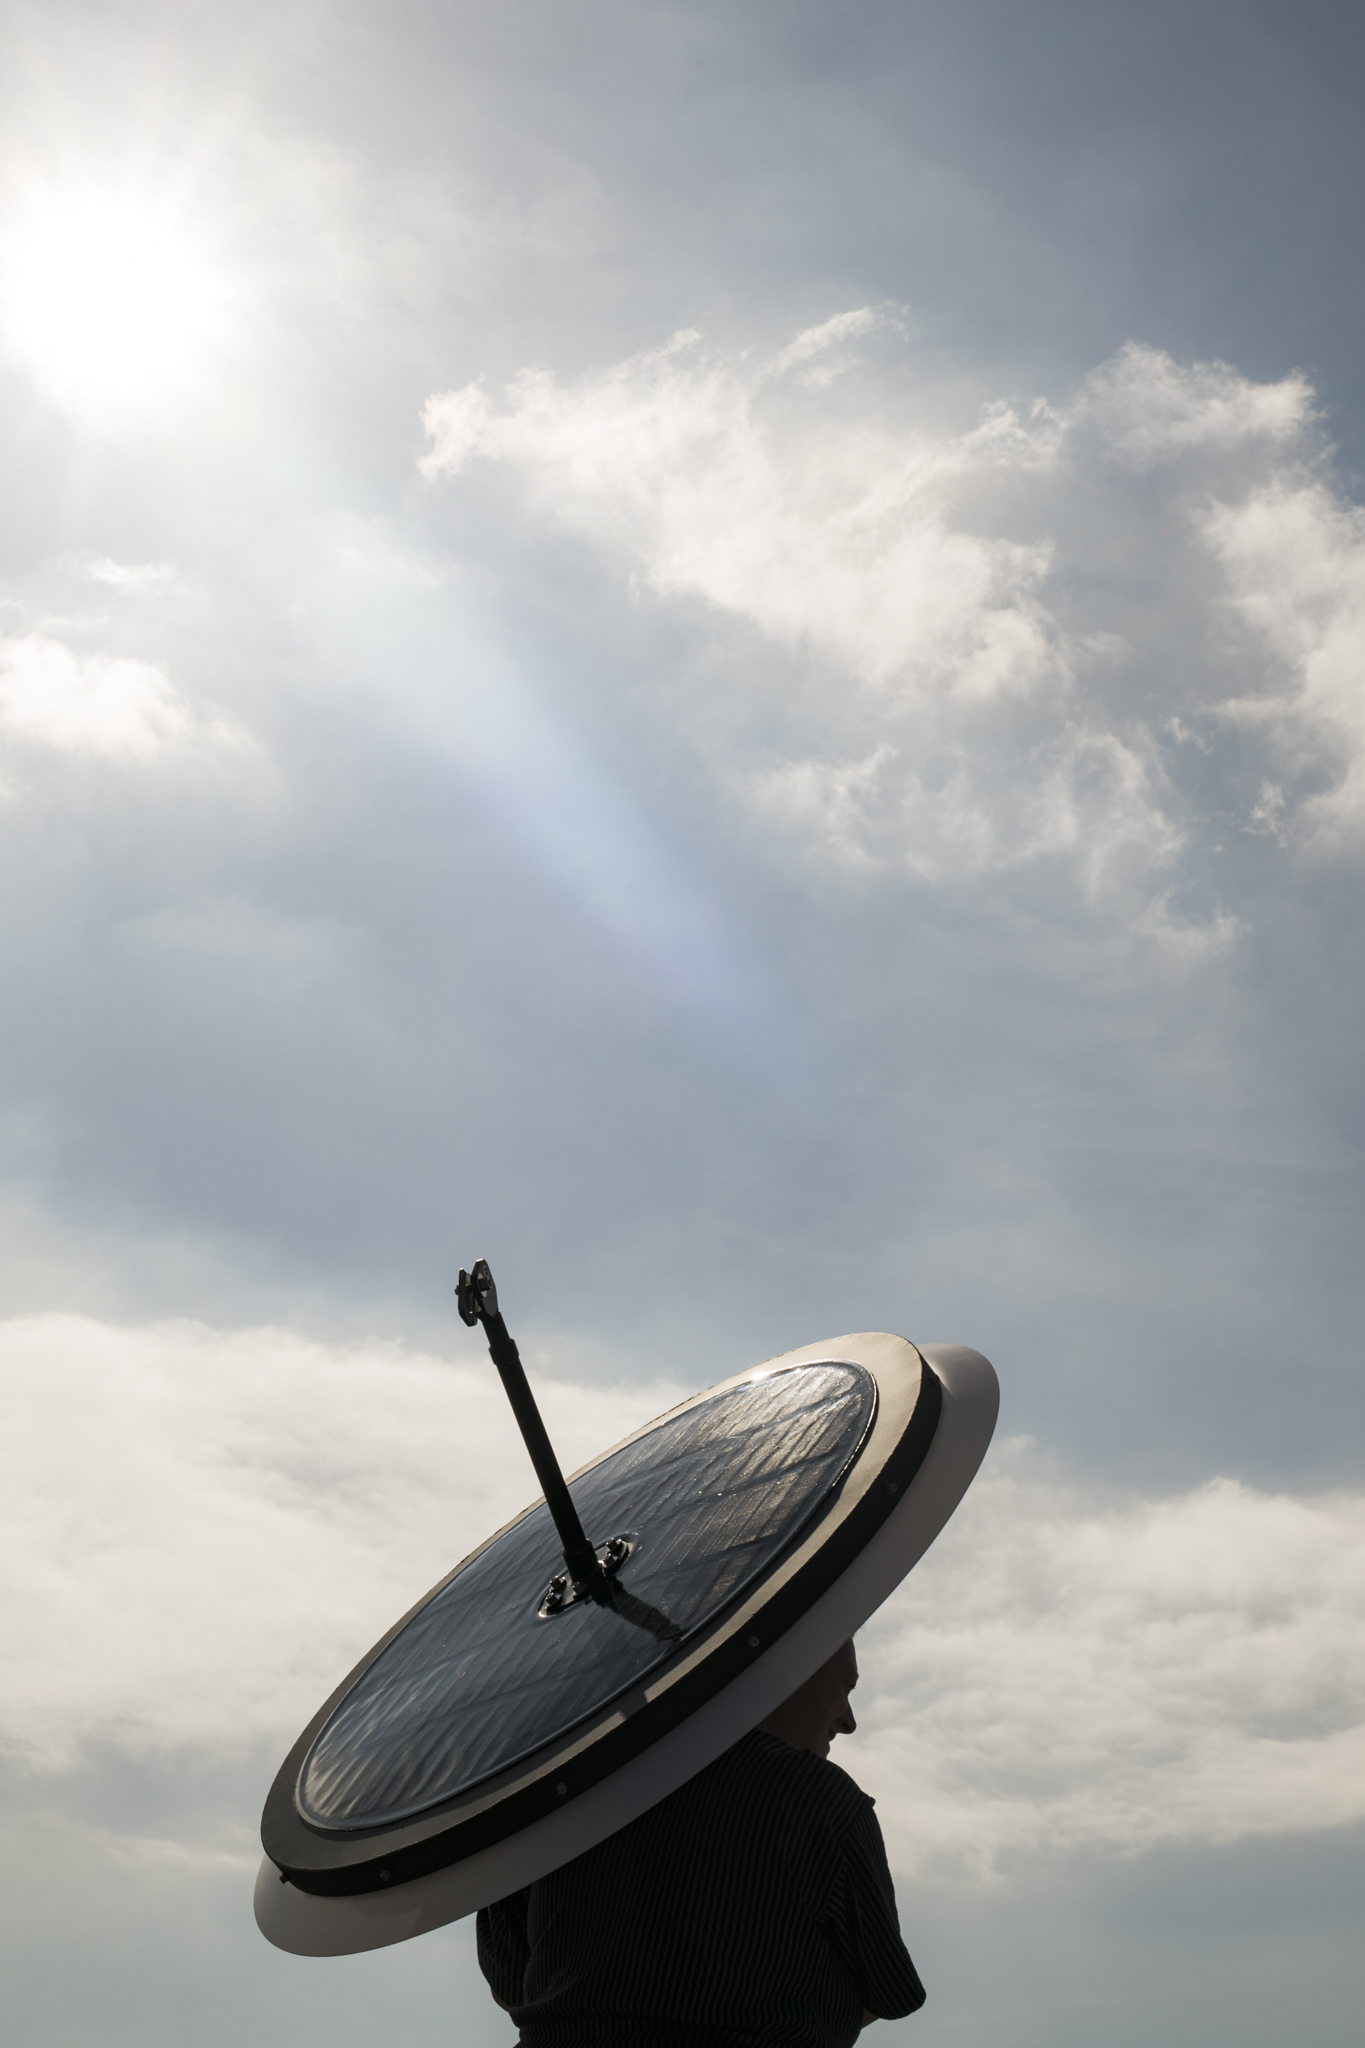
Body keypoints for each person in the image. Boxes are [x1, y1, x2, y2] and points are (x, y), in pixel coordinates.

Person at [476, 1639, 926, 2047]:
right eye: (845, 1688)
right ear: (786, 1669)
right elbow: (891, 1990)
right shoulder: (823, 1800)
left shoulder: (561, 1789)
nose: (847, 1721)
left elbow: (513, 1982)